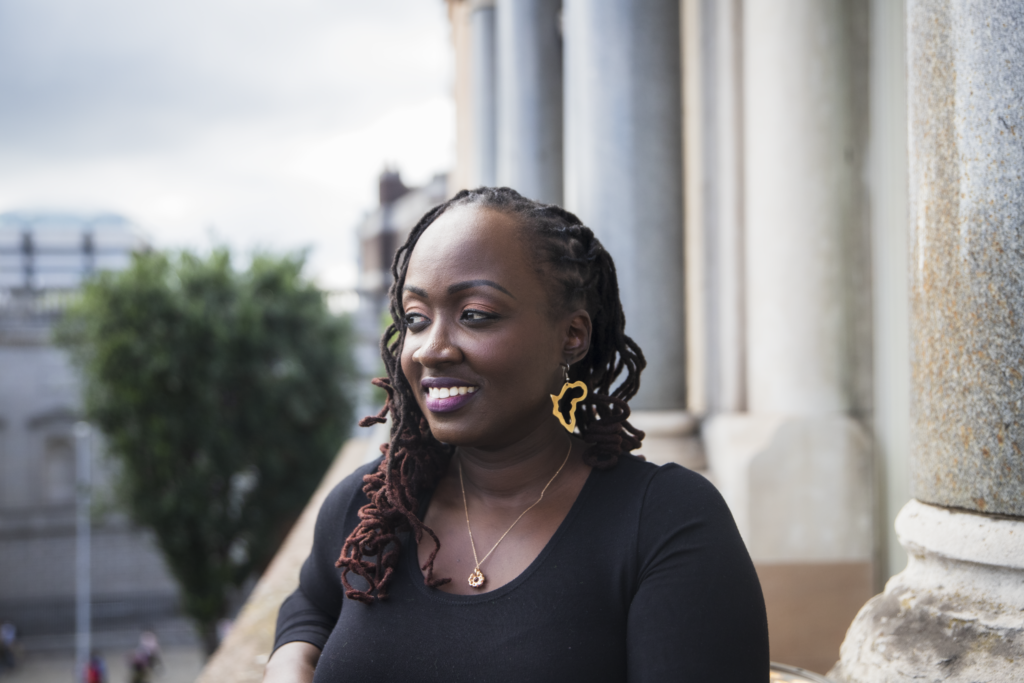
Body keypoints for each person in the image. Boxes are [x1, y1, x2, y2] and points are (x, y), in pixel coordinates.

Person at [265, 188, 769, 682]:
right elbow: (311, 603)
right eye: (415, 319)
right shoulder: (373, 504)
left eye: (475, 315)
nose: (430, 350)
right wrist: (290, 658)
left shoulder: (663, 524)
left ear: (571, 336)